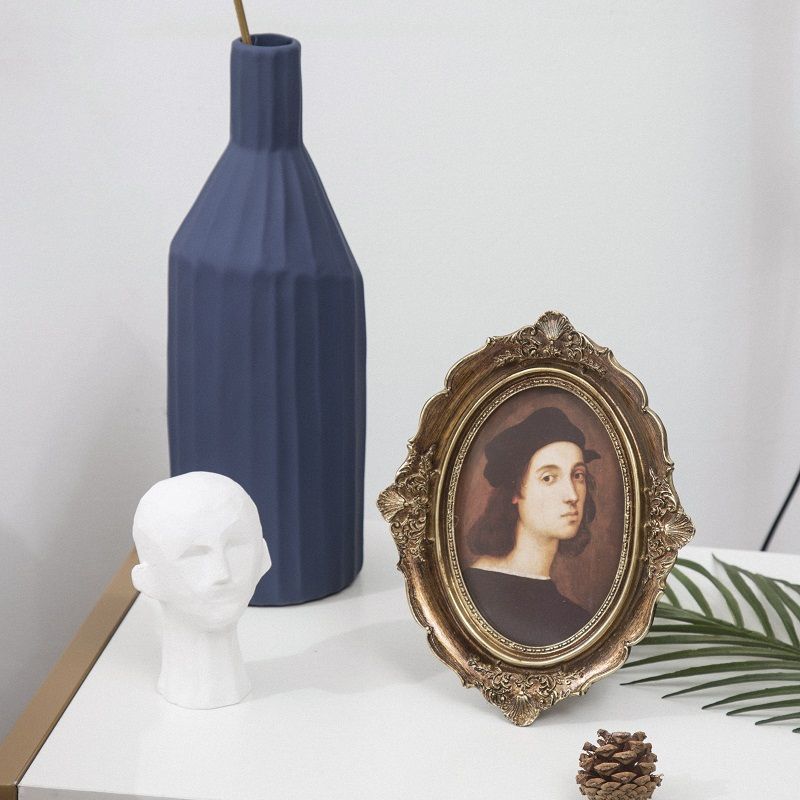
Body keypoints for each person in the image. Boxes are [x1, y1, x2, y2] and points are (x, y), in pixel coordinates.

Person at [463, 406, 599, 646]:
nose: (572, 495)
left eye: (577, 475)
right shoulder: (472, 593)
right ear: (515, 491)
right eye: (548, 478)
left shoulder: (576, 620)